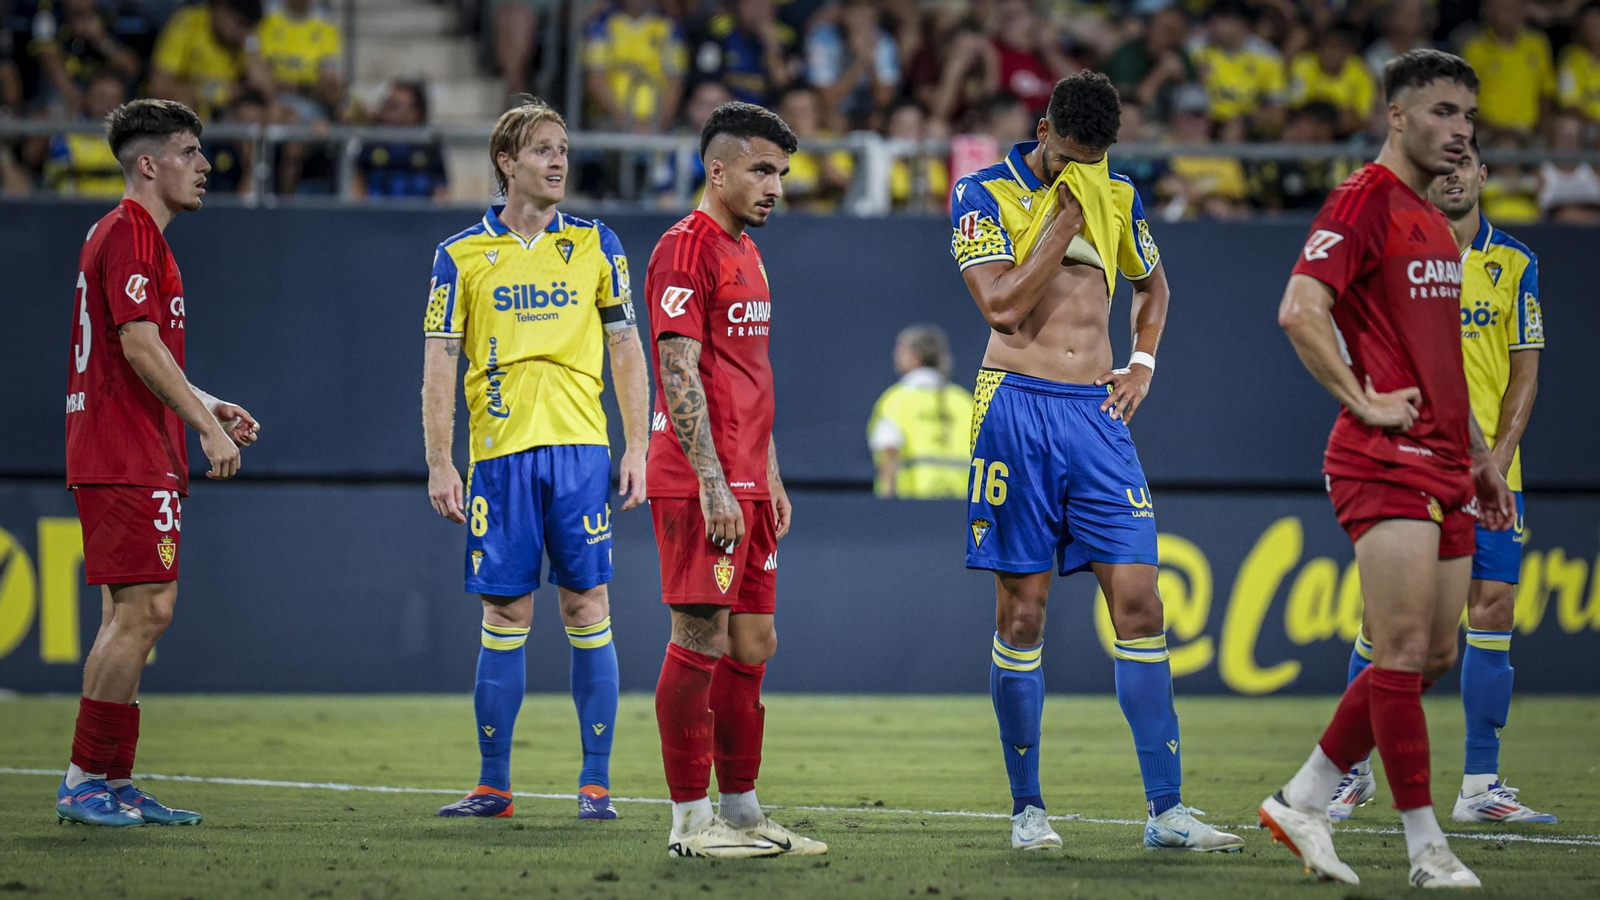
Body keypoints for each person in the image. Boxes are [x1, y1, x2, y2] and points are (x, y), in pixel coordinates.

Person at [948, 71, 1242, 854]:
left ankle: (1168, 811)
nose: (1086, 172)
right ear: (1043, 129)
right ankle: (1028, 811)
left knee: (1141, 603)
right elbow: (1003, 306)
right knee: (1024, 613)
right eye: (1075, 156)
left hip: (1097, 417)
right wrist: (1062, 224)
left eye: (1097, 159)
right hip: (1015, 405)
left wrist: (1143, 363)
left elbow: (1155, 286)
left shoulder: (1116, 191)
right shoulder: (982, 193)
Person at [1259, 49, 1515, 888]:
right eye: (1443, 111)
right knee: (1401, 650)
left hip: (1448, 463)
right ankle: (1425, 846)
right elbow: (1301, 310)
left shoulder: (1435, 220)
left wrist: (1482, 459)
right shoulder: (1362, 199)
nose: (1461, 129)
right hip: (1383, 458)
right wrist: (1363, 400)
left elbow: (1442, 360)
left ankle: (1305, 795)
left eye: (1468, 116)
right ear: (1397, 116)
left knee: (1434, 656)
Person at [420, 98, 650, 822]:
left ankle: (597, 783)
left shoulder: (595, 243)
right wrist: (439, 460)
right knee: (506, 610)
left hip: (581, 452)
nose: (558, 162)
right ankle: (494, 785)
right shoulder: (460, 256)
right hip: (499, 458)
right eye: (544, 150)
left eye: (564, 150)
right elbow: (439, 361)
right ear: (506, 162)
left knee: (588, 604)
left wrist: (638, 444)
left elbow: (625, 348)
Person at [1328, 134, 1554, 826]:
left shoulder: (1515, 263)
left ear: (1484, 174)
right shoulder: (1395, 252)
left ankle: (1480, 785)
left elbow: (1524, 368)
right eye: (1443, 165)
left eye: (1466, 164)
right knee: (1386, 621)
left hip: (1490, 474)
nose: (1454, 175)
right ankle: (1349, 773)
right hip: (1408, 461)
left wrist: (1498, 463)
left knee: (1492, 612)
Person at [59, 97, 260, 826]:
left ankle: (111, 780)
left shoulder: (127, 235)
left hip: (125, 446)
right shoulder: (132, 232)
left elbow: (136, 347)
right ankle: (86, 780)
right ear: (149, 163)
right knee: (145, 612)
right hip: (123, 451)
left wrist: (212, 401)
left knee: (130, 613)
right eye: (188, 152)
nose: (204, 165)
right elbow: (139, 345)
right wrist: (206, 427)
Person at [645, 101, 825, 858]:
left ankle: (743, 812)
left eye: (781, 173)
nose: (775, 186)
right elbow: (677, 369)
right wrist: (714, 480)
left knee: (753, 642)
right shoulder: (684, 248)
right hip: (700, 483)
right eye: (761, 170)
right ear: (715, 170)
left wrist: (770, 474)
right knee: (699, 637)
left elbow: (749, 376)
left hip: (749, 481)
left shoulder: (747, 250)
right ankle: (691, 822)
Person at [867, 324, 973, 499]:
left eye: (900, 351)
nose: (895, 357)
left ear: (914, 357)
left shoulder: (896, 400)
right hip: (963, 509)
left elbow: (889, 453)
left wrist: (885, 506)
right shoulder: (964, 402)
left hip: (912, 510)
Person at [353, 80, 449, 201]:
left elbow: (441, 189)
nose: (386, 110)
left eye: (394, 106)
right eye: (386, 104)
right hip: (377, 215)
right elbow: (358, 183)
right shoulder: (372, 140)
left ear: (415, 112)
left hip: (419, 215)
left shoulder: (428, 144)